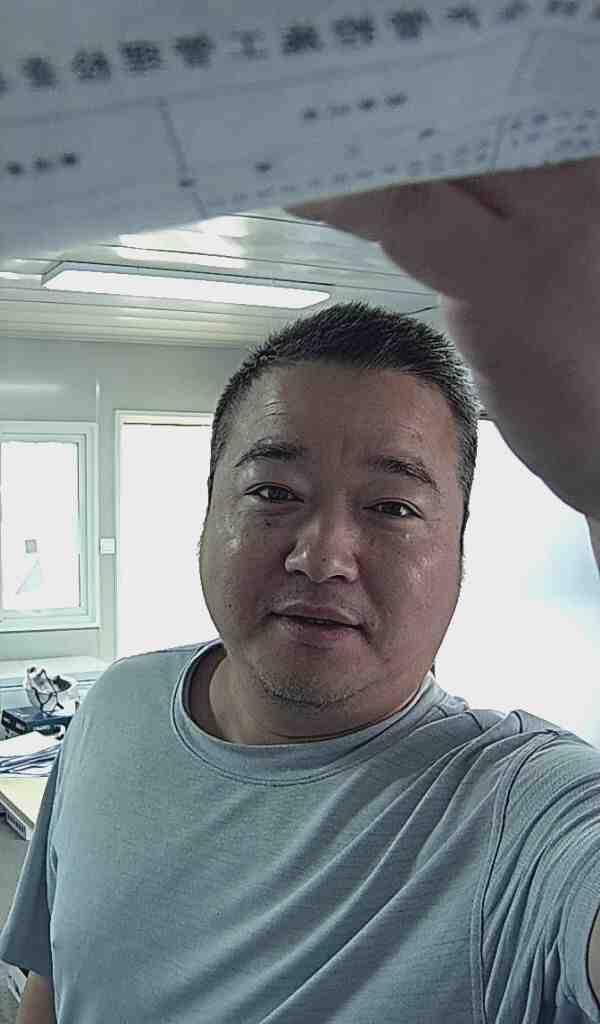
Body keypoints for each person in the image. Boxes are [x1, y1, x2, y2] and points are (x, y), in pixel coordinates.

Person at [3, 159, 600, 1023]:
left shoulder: (521, 811)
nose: (322, 558)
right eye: (274, 492)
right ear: (207, 513)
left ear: (460, 551)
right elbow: (54, 986)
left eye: (392, 507)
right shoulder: (114, 708)